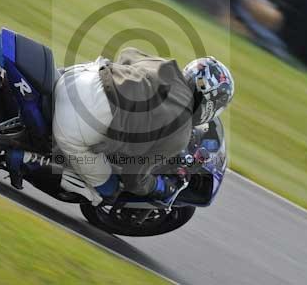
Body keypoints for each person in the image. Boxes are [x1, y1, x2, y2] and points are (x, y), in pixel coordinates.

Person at [50, 47, 234, 205]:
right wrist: (160, 187)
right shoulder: (181, 131)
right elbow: (134, 178)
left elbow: (127, 52)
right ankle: (25, 159)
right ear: (209, 104)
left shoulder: (164, 65)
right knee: (109, 189)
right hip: (74, 122)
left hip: (81, 76)